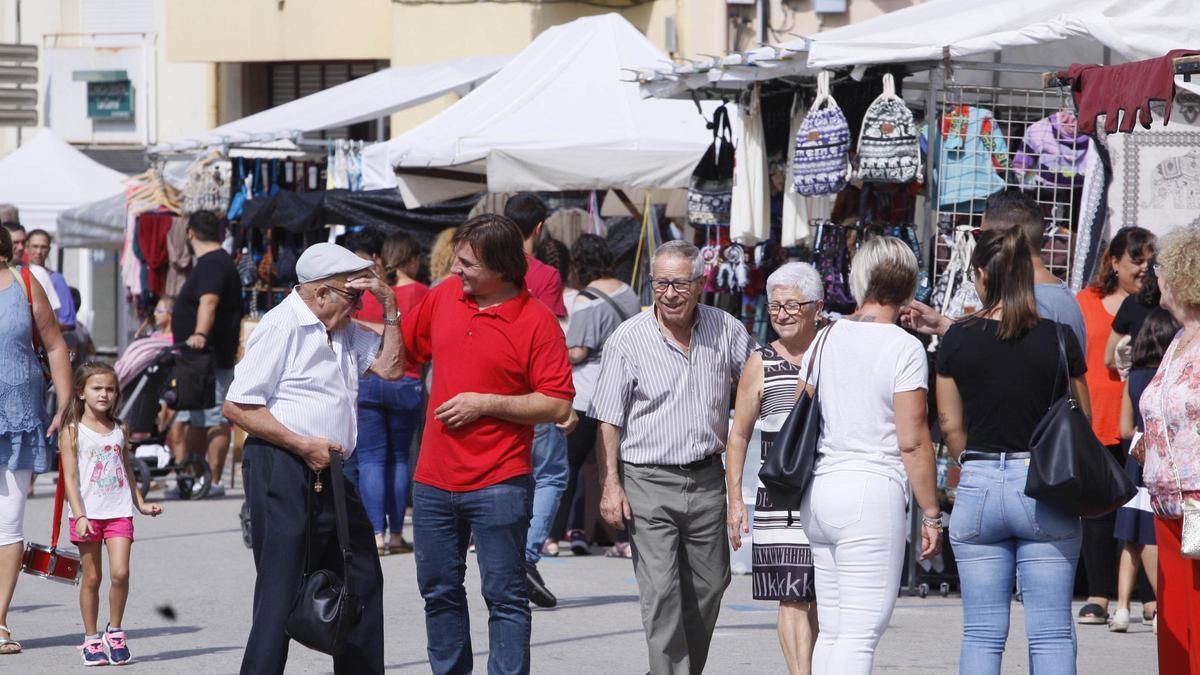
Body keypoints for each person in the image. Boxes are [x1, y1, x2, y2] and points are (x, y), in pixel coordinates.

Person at [222, 242, 404, 675]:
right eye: (352, 296)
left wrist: (390, 307)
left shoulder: (343, 328)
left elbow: (392, 367)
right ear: (320, 292)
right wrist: (301, 444)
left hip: (331, 467)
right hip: (283, 463)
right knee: (281, 586)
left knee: (361, 577)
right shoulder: (282, 325)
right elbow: (238, 406)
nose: (358, 305)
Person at [404, 214, 573, 674]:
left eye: (467, 263)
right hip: (433, 480)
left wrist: (485, 403)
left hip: (500, 481)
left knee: (505, 597)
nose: (455, 269)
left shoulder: (537, 320)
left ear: (501, 267)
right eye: (457, 259)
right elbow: (403, 353)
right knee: (438, 592)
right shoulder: (443, 296)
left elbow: (558, 404)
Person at [590, 240, 755, 674]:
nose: (669, 294)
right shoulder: (628, 339)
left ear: (700, 284)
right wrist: (610, 485)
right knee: (661, 591)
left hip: (706, 478)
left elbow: (758, 381)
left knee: (710, 584)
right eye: (660, 283)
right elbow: (607, 420)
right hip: (647, 481)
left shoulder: (725, 329)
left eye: (679, 284)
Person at [936, 228, 1087, 673]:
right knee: (1051, 632)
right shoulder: (1059, 337)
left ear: (982, 275)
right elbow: (1083, 418)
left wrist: (973, 461)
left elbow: (950, 424)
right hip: (1045, 485)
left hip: (979, 483)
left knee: (981, 634)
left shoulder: (957, 338)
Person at [795, 236, 941, 674]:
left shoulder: (825, 337)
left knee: (834, 630)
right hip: (871, 492)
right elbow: (913, 440)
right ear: (909, 286)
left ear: (859, 279)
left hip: (821, 488)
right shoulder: (903, 347)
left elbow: (802, 407)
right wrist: (931, 512)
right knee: (859, 635)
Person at [725, 262, 824, 675]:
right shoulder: (760, 362)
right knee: (793, 594)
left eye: (791, 305)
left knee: (825, 596)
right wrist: (735, 500)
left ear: (817, 307)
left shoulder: (836, 350)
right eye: (775, 306)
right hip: (780, 495)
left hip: (830, 486)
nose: (781, 314)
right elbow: (738, 435)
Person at [1074, 225, 1155, 625]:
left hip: (1142, 424)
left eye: (1149, 261)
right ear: (1114, 261)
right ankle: (1099, 594)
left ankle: (1149, 596)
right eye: (1136, 260)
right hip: (1097, 417)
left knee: (1144, 508)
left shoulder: (1158, 302)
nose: (1143, 269)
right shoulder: (1085, 303)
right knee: (1098, 512)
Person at [59, 362, 163, 665]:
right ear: (81, 392)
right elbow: (70, 479)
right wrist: (80, 516)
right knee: (92, 578)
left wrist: (140, 503)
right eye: (97, 388)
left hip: (119, 511)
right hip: (88, 516)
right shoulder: (72, 431)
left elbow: (126, 469)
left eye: (110, 389)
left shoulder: (120, 429)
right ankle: (91, 639)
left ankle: (114, 632)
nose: (104, 394)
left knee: (120, 573)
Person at [0, 225, 73, 655]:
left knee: (8, 523)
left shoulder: (25, 282)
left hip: (18, 419)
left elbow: (56, 345)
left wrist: (64, 405)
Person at [902, 190, 1087, 350]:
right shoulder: (1060, 297)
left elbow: (1002, 363)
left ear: (1004, 241)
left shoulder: (1031, 304)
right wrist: (943, 325)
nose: (979, 244)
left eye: (982, 236)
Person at [550, 234, 640, 559]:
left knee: (569, 467)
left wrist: (551, 348)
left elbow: (577, 351)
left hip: (588, 393)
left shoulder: (586, 299)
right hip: (625, 389)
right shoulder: (629, 292)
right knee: (618, 466)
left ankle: (552, 537)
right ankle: (626, 539)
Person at [504, 193, 570, 608]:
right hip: (536, 389)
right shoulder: (545, 275)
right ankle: (525, 557)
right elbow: (551, 337)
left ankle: (504, 558)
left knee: (507, 474)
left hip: (495, 387)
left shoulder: (489, 269)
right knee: (550, 475)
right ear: (539, 228)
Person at [1138, 227, 1200, 674]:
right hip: (1166, 503)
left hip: (1197, 501)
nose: (1154, 276)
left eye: (1160, 267)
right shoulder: (1178, 340)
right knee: (1175, 623)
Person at [348, 229, 429, 555]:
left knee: (370, 459)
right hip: (407, 379)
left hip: (369, 377)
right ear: (413, 258)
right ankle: (396, 535)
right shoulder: (423, 292)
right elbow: (425, 339)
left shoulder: (368, 293)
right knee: (399, 458)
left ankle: (376, 535)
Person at [171, 210, 245, 498]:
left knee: (214, 418)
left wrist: (200, 333)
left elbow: (209, 301)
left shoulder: (213, 263)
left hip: (210, 357)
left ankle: (212, 481)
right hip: (201, 359)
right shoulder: (213, 262)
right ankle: (196, 480)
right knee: (198, 418)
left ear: (190, 233)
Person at [1111, 309, 1176, 633]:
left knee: (1130, 538)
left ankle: (1122, 608)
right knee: (1151, 535)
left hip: (1133, 460)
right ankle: (1161, 607)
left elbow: (1123, 428)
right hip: (1159, 458)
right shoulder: (1170, 376)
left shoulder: (1133, 377)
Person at [1105, 261, 1161, 379]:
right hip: (1171, 380)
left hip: (1139, 378)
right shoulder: (1183, 309)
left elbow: (1109, 360)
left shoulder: (1132, 303)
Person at [3, 223, 61, 314]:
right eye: (15, 242)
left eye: (23, 242)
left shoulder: (38, 273)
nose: (21, 247)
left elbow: (52, 316)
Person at [26, 229, 77, 329]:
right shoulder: (16, 274)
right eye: (35, 246)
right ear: (27, 248)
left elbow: (68, 322)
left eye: (43, 247)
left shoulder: (55, 279)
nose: (39, 251)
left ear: (49, 250)